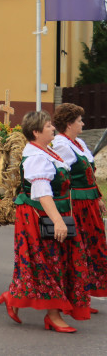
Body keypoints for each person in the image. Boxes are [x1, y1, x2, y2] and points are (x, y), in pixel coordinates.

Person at [0, 110, 92, 331]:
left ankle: (14, 297)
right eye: (48, 125)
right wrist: (58, 221)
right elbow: (42, 192)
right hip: (38, 215)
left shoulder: (47, 151)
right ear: (36, 131)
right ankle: (53, 315)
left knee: (54, 261)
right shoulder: (36, 157)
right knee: (48, 262)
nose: (53, 128)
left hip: (53, 211)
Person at [51, 103, 107, 306]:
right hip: (76, 206)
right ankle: (72, 296)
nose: (83, 123)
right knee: (78, 249)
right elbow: (61, 178)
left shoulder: (78, 143)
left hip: (89, 204)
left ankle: (81, 294)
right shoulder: (61, 145)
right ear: (68, 123)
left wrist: (98, 198)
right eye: (79, 120)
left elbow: (88, 176)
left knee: (93, 248)